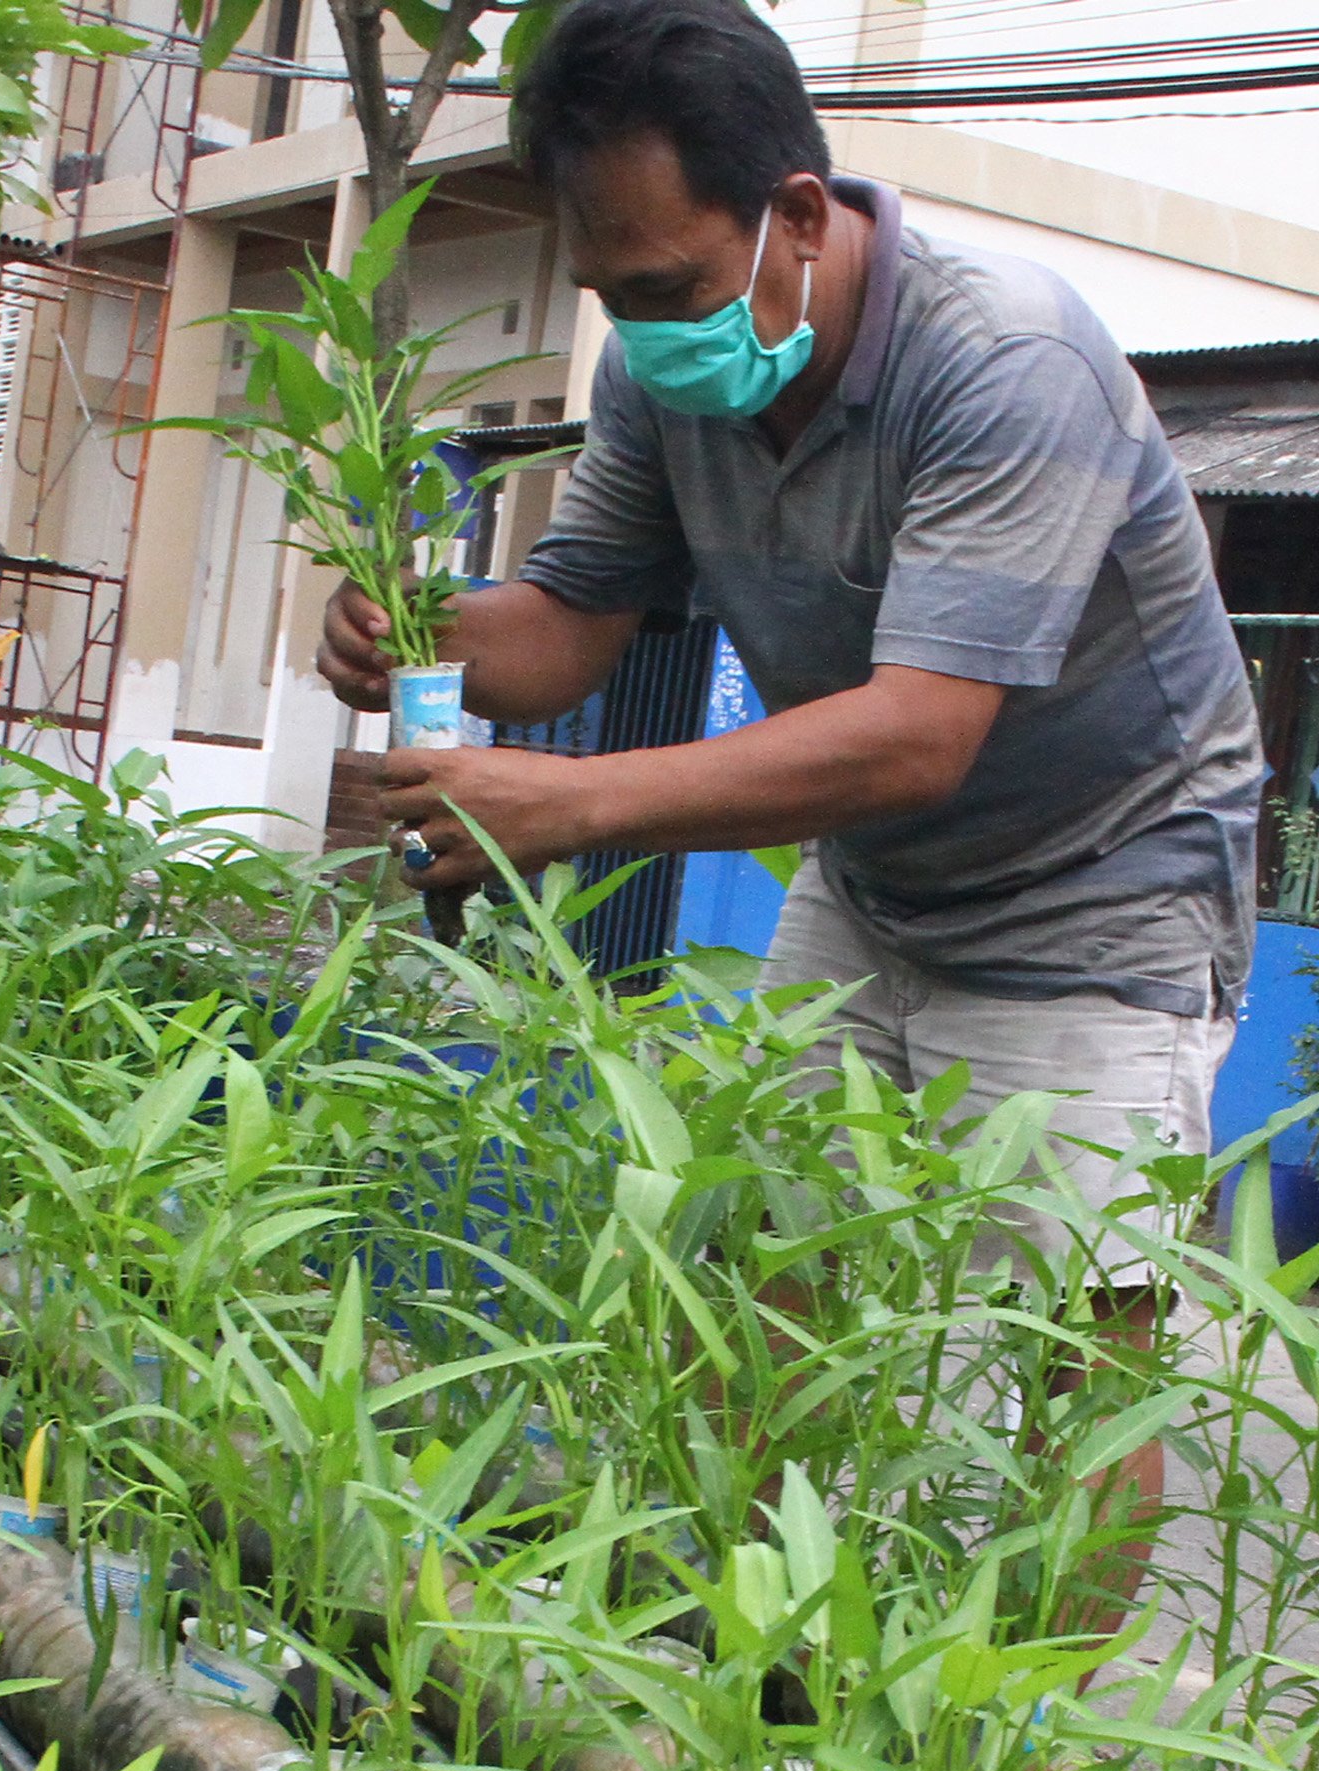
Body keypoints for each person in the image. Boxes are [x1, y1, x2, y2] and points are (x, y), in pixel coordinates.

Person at [314, 0, 1264, 1602]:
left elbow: (916, 734)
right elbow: (567, 627)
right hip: (881, 873)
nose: (648, 330)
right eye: (613, 295)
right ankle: (741, 1654)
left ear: (800, 217)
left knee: (1074, 1353)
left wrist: (569, 805)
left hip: (1104, 884)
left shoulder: (1006, 360)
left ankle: (1010, 1755)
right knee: (764, 1277)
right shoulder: (664, 377)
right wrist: (420, 637)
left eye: (672, 288)